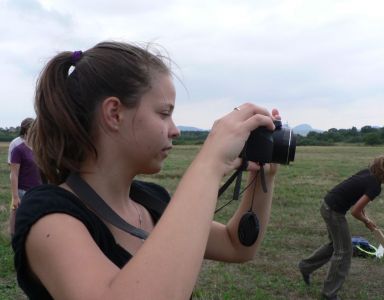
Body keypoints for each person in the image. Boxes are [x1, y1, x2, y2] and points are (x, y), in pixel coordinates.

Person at [12, 41, 281, 300]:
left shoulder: (151, 201)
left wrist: (261, 175)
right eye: (164, 113)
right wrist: (210, 163)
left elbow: (237, 245)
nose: (174, 130)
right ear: (114, 113)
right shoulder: (48, 217)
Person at [298, 155, 384, 300]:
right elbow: (355, 211)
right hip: (334, 211)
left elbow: (357, 200)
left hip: (328, 205)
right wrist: (366, 221)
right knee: (344, 251)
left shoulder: (369, 172)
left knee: (335, 245)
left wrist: (366, 218)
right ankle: (329, 293)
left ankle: (305, 267)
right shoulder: (375, 186)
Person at [9, 117, 42, 235]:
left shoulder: (38, 147)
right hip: (23, 190)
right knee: (19, 218)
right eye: (34, 128)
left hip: (37, 189)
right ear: (27, 130)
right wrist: (15, 196)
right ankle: (15, 238)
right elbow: (14, 173)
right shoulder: (18, 149)